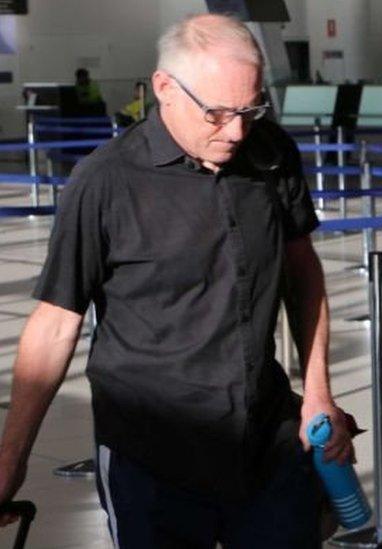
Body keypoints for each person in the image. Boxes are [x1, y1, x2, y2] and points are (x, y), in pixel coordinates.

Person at [0, 14, 354, 547]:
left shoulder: (270, 152)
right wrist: (11, 459)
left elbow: (302, 273)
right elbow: (54, 324)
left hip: (265, 440)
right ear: (164, 88)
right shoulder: (106, 181)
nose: (236, 131)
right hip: (151, 457)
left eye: (250, 109)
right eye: (216, 113)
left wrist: (318, 392)